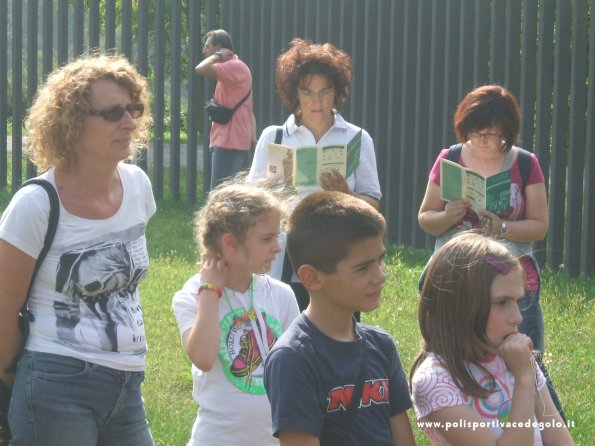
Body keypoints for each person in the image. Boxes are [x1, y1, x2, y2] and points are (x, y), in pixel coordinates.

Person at [0, 53, 155, 445]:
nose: (129, 122)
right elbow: (2, 314)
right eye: (112, 113)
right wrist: (24, 377)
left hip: (127, 385)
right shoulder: (36, 204)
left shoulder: (138, 187)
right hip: (57, 385)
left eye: (133, 109)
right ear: (71, 123)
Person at [417, 84, 565, 418]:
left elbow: (539, 225)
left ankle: (549, 422)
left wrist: (501, 228)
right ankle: (474, 413)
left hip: (512, 272)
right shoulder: (451, 158)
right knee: (455, 351)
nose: (483, 140)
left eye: (492, 133)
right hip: (457, 273)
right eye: (476, 131)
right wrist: (448, 216)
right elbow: (425, 217)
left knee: (525, 354)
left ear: (508, 133)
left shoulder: (526, 164)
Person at [264, 191, 416, 446]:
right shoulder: (293, 358)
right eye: (363, 267)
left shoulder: (382, 345)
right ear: (312, 277)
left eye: (380, 259)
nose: (380, 276)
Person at [248, 38, 382, 312]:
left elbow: (373, 204)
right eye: (308, 92)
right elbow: (250, 202)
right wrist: (273, 189)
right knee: (285, 334)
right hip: (285, 256)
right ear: (294, 93)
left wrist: (348, 197)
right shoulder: (273, 136)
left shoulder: (357, 138)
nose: (317, 101)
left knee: (340, 336)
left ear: (337, 93)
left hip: (340, 256)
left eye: (325, 91)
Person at [410, 232, 574, 445]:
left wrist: (526, 372)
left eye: (517, 301)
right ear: (460, 306)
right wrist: (524, 379)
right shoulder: (435, 382)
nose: (518, 317)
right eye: (502, 302)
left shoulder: (516, 360)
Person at [171, 179, 300, 446]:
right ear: (230, 243)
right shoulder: (192, 296)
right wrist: (209, 292)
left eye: (277, 236)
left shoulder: (281, 295)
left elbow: (297, 371)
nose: (278, 247)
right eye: (267, 238)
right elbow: (204, 358)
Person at [196, 29, 257, 189]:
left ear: (219, 48)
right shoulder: (237, 67)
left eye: (207, 46)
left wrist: (217, 56)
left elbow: (200, 69)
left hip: (229, 142)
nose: (204, 51)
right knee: (229, 197)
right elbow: (248, 109)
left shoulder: (233, 66)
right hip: (233, 142)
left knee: (218, 196)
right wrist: (252, 135)